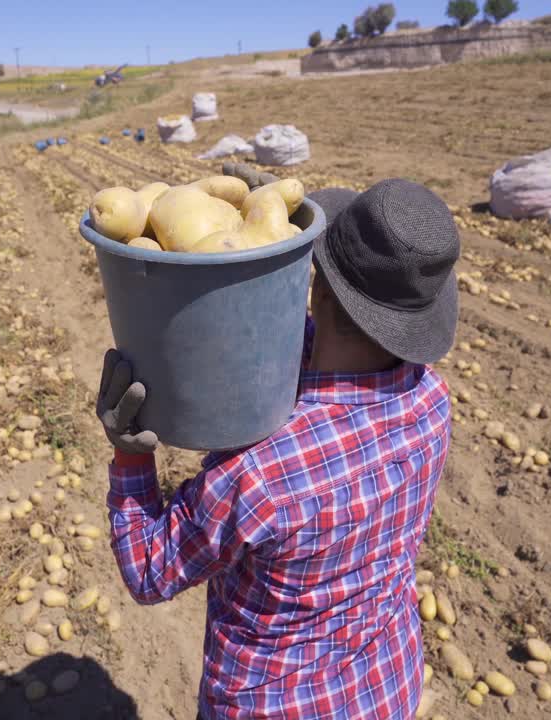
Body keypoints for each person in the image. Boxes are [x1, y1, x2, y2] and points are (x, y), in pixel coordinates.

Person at [95, 179, 460, 719]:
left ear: (316, 289)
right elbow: (313, 351)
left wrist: (130, 455)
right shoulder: (432, 402)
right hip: (384, 690)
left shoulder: (259, 475)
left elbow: (150, 571)